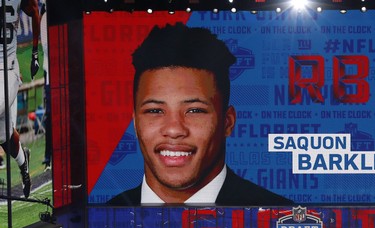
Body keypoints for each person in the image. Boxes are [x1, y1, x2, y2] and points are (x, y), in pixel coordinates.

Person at [107, 23, 292, 206]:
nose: (173, 129)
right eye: (155, 111)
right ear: (135, 122)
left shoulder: (277, 215)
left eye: (194, 111)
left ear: (228, 122)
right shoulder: (99, 219)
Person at [0, 0, 40, 198]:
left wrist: (34, 54)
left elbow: (34, 10)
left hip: (7, 69)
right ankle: (24, 165)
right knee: (4, 136)